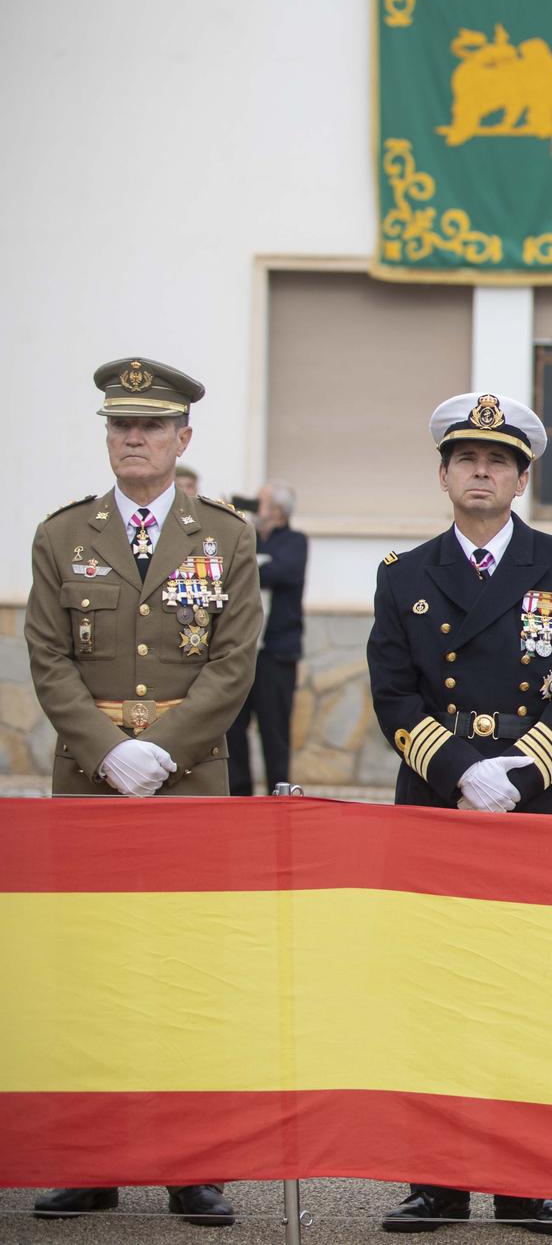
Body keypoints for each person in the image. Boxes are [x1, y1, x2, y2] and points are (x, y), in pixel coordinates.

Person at [25, 360, 260, 1229]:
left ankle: (191, 1165)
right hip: (88, 784)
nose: (135, 437)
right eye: (121, 423)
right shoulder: (60, 536)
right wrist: (105, 751)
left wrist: (158, 751)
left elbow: (235, 663)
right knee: (90, 968)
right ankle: (90, 1160)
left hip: (187, 779)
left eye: (153, 425)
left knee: (184, 967)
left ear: (182, 439)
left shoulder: (226, 538)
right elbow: (47, 658)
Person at [367, 392, 552, 1236]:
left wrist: (523, 768)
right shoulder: (404, 574)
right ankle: (436, 1178)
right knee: (439, 983)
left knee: (532, 986)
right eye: (466, 458)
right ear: (442, 473)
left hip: (536, 797)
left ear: (521, 478)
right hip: (439, 799)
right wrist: (463, 771)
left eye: (498, 460)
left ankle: (527, 1179)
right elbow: (394, 692)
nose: (481, 470)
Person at [226, 480, 308, 794]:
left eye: (258, 503)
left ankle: (280, 793)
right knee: (234, 726)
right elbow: (235, 570)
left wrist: (256, 567)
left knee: (274, 730)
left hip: (276, 653)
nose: (252, 508)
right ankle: (239, 794)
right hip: (243, 652)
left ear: (277, 511)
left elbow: (283, 572)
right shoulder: (248, 539)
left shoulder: (295, 541)